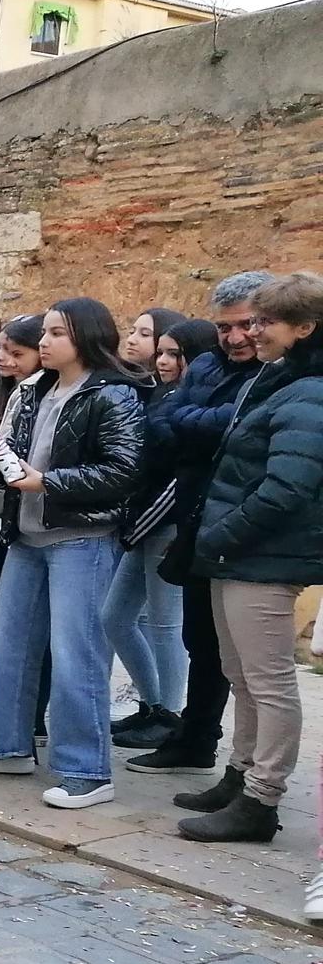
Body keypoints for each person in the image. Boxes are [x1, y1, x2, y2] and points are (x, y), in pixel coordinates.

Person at [0, 297, 142, 808]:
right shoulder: (35, 390)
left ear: (83, 337)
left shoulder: (111, 395)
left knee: (77, 654)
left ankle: (87, 770)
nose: (44, 341)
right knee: (9, 646)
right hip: (27, 538)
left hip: (83, 539)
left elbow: (123, 470)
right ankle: (8, 747)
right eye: (46, 332)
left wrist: (48, 482)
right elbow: (11, 466)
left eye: (56, 333)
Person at [175, 272, 323, 869]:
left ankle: (262, 800)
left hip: (261, 557)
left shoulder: (309, 391)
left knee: (267, 680)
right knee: (240, 673)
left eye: (265, 323)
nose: (252, 332)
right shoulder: (278, 380)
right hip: (237, 554)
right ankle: (238, 777)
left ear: (304, 329)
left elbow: (287, 487)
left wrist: (221, 534)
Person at [125, 272, 271, 777]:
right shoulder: (208, 363)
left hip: (239, 525)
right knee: (199, 641)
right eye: (224, 326)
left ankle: (246, 771)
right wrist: (201, 425)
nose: (235, 337)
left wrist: (195, 423)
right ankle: (195, 738)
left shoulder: (276, 373)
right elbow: (161, 426)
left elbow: (234, 430)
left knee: (247, 664)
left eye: (247, 325)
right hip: (196, 517)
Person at [105, 315, 212, 749]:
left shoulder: (195, 401)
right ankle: (153, 706)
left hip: (167, 525)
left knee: (167, 624)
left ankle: (169, 714)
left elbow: (177, 477)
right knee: (114, 617)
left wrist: (139, 525)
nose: (164, 360)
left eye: (174, 354)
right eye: (162, 351)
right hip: (144, 523)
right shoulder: (163, 393)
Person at [0, 314, 46, 521]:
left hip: (25, 504)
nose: (1, 358)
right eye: (0, 348)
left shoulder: (38, 395)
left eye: (16, 353)